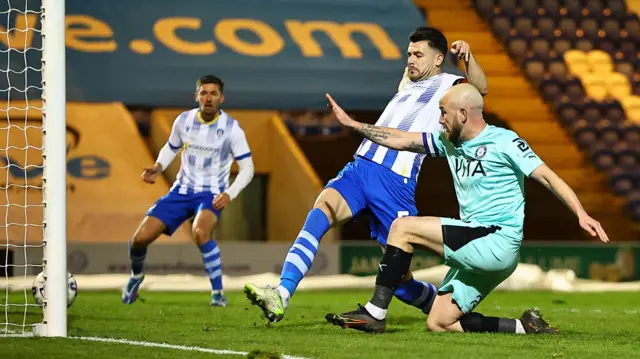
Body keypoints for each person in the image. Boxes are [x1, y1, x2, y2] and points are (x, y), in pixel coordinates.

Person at [244, 26, 488, 323]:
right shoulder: (407, 83)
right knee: (320, 212)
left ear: (438, 59)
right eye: (409, 53)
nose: (410, 59)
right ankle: (281, 293)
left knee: (401, 283)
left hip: (395, 181)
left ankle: (452, 314)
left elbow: (481, 90)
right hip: (360, 167)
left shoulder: (450, 84)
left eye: (418, 54)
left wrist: (468, 58)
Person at [324, 83, 609, 334]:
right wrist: (354, 124)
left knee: (402, 228)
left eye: (443, 112)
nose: (440, 120)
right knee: (439, 322)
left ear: (462, 114)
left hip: (495, 240)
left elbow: (546, 175)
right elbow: (401, 139)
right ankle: (525, 327)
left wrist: (581, 213)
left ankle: (375, 313)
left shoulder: (504, 141)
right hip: (482, 247)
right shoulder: (448, 142)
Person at [122, 75, 255, 307]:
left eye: (213, 93)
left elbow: (248, 168)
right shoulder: (183, 120)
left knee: (200, 233)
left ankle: (218, 294)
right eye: (204, 93)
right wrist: (158, 166)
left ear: (221, 98)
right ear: (196, 96)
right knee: (139, 240)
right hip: (181, 191)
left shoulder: (232, 129)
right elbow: (170, 147)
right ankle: (136, 277)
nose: (208, 98)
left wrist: (229, 194)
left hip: (211, 193)